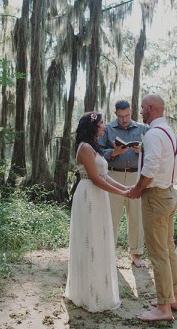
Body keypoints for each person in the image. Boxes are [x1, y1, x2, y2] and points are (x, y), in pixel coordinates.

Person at [64, 111, 129, 313]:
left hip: (99, 196)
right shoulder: (84, 148)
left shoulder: (96, 148)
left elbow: (105, 176)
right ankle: (87, 293)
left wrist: (125, 190)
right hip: (88, 196)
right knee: (89, 240)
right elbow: (95, 178)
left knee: (99, 240)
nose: (103, 127)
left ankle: (100, 288)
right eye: (101, 124)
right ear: (92, 126)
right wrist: (122, 192)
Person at [128, 94, 177, 322]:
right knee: (168, 249)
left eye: (142, 108)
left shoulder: (152, 134)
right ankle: (175, 298)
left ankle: (163, 308)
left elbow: (149, 169)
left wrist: (137, 189)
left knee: (158, 253)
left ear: (150, 109)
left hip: (155, 198)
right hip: (169, 194)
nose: (140, 112)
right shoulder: (169, 132)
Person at [98, 100, 148, 268]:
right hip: (114, 175)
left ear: (131, 112)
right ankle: (108, 254)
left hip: (136, 176)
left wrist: (142, 149)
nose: (124, 120)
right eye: (120, 116)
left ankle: (136, 254)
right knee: (111, 215)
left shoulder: (143, 129)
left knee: (136, 216)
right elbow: (97, 152)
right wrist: (113, 152)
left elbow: (153, 152)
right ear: (115, 114)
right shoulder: (108, 129)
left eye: (126, 115)